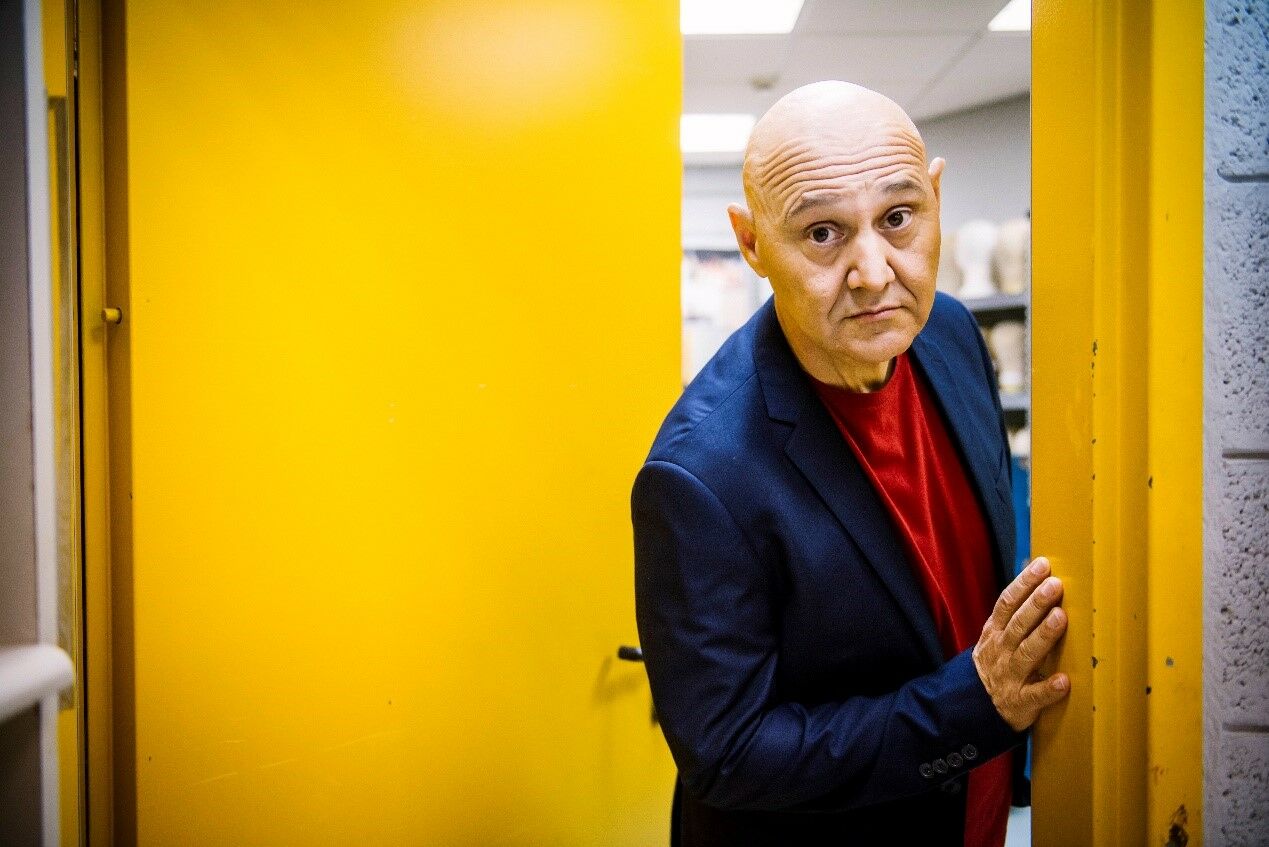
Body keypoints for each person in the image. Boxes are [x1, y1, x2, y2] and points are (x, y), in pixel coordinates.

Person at [631, 81, 1070, 846]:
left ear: (934, 200)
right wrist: (970, 705)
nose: (873, 272)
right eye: (822, 233)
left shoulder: (948, 335)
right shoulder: (700, 474)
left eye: (898, 218)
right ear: (750, 243)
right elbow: (727, 753)